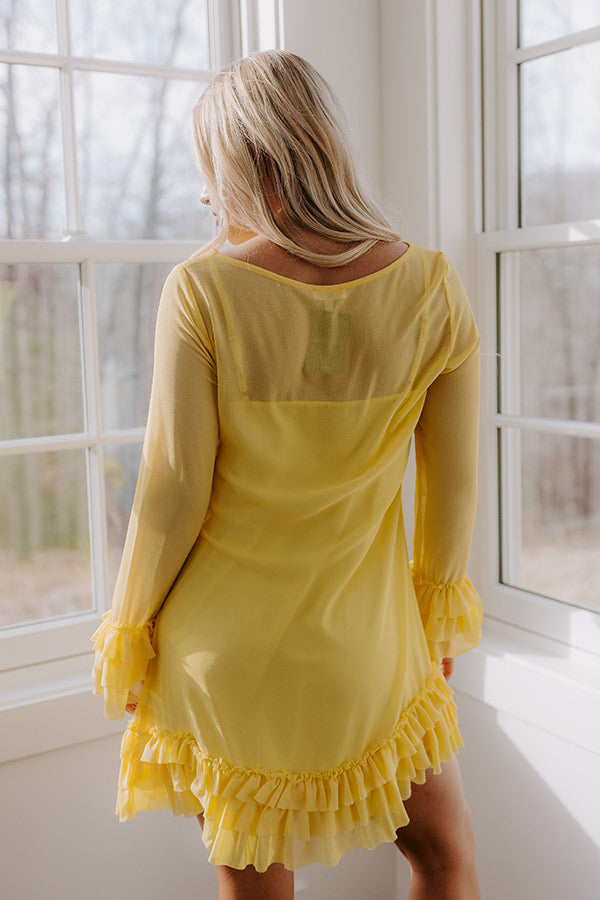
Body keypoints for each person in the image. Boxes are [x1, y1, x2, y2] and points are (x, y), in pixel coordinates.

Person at [92, 50, 482, 900]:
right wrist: (433, 622)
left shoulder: (201, 291)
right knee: (444, 861)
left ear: (252, 167)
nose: (206, 197)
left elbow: (171, 491)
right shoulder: (431, 286)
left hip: (225, 661)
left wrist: (130, 632)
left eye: (211, 170)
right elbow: (451, 489)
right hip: (372, 654)